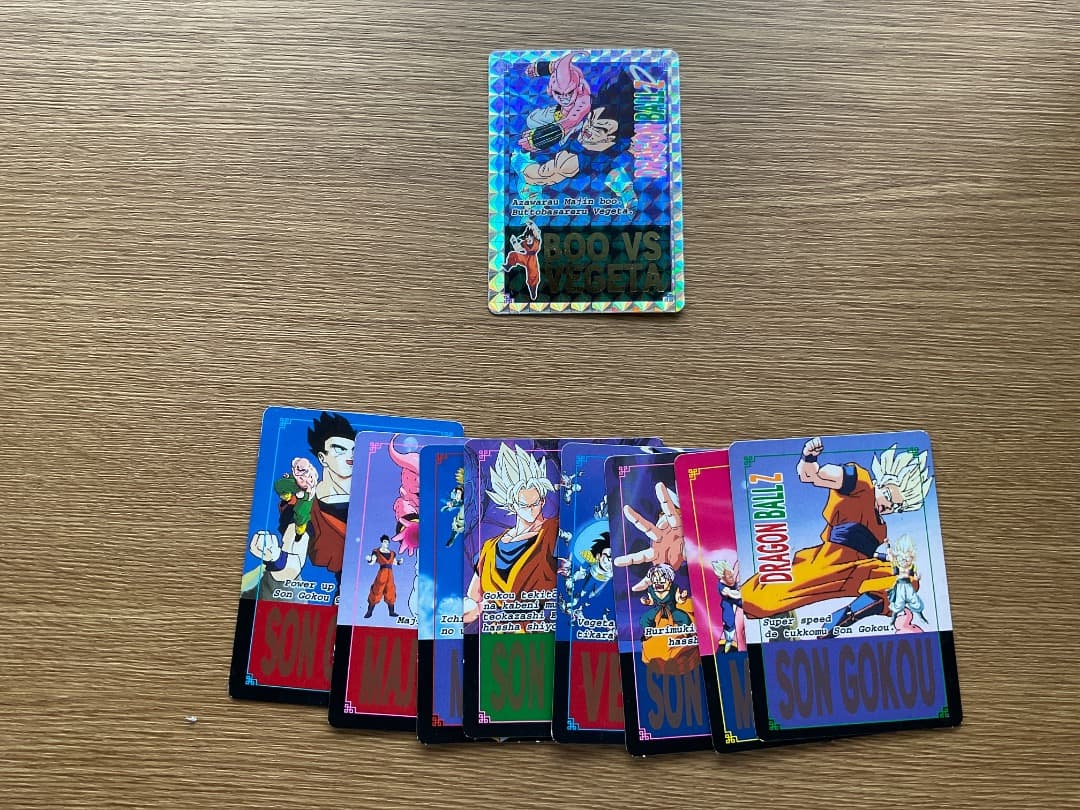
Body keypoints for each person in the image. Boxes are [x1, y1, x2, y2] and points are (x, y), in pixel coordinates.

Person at [739, 437, 934, 637]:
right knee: (759, 602)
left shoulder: (880, 527)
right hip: (827, 563)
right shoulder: (861, 485)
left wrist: (889, 559)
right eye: (891, 497)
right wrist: (809, 458)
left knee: (907, 579)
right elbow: (812, 476)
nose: (890, 507)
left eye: (898, 507)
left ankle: (844, 617)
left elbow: (866, 554)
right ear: (881, 482)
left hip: (857, 571)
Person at [462, 443, 558, 623]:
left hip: (539, 633)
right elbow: (475, 601)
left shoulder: (553, 531)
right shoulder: (490, 548)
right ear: (512, 505)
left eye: (535, 503)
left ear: (543, 501)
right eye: (524, 505)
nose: (531, 509)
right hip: (498, 635)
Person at [364, 535, 403, 618]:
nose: (387, 543)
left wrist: (400, 562)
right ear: (382, 542)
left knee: (391, 591)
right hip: (382, 574)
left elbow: (395, 562)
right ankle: (369, 612)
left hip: (390, 575)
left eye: (388, 542)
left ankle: (391, 612)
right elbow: (372, 562)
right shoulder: (376, 551)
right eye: (385, 542)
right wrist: (369, 559)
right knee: (377, 590)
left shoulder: (392, 553)